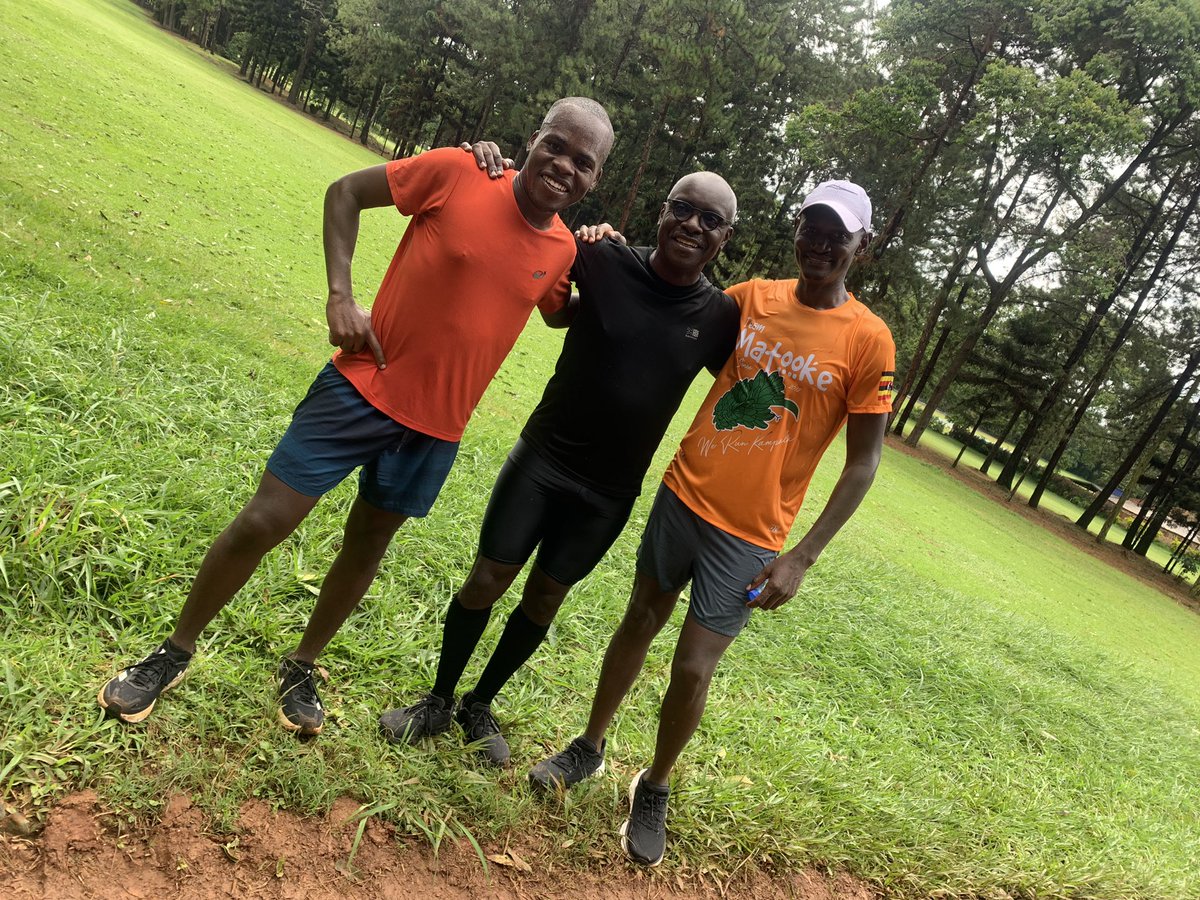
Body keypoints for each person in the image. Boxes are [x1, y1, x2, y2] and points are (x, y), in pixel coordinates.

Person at [97, 97, 614, 737]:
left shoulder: (565, 249)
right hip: (361, 387)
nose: (564, 165)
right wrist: (340, 295)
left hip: (436, 427)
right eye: (556, 145)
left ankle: (302, 665)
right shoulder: (460, 171)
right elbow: (344, 193)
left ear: (595, 180)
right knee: (267, 519)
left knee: (368, 543)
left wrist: (598, 253)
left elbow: (558, 313)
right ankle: (173, 651)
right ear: (533, 138)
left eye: (582, 162)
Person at [530, 180, 896, 866]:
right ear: (797, 232)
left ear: (861, 247)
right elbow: (667, 305)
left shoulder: (870, 341)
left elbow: (863, 465)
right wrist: (611, 250)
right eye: (812, 228)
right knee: (639, 619)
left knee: (694, 669)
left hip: (754, 534)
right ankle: (589, 745)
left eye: (837, 235)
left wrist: (801, 558)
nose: (821, 244)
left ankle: (656, 784)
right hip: (684, 494)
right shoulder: (749, 300)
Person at [377, 157, 741, 767]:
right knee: (488, 579)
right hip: (543, 458)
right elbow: (542, 277)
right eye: (682, 207)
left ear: (724, 237)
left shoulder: (719, 317)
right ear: (661, 210)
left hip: (609, 493)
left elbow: (744, 388)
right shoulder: (601, 259)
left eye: (710, 218)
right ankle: (438, 699)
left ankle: (478, 703)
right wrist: (493, 165)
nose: (691, 224)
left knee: (545, 598)